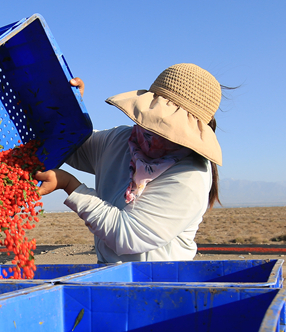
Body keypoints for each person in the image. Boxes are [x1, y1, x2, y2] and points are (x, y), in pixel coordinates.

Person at [34, 63, 223, 263]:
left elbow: (128, 236)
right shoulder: (122, 140)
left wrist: (70, 185)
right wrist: (65, 110)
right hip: (109, 273)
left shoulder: (189, 175)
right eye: (151, 122)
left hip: (157, 284)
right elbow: (72, 147)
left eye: (166, 129)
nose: (153, 135)